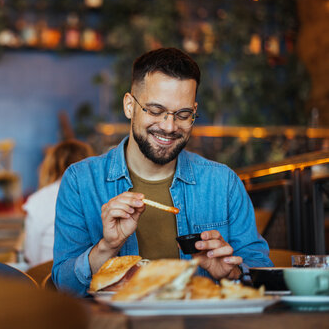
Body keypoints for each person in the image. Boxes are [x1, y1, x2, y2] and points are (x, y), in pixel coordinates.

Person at [52, 48, 272, 296]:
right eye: (156, 111)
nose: (169, 126)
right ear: (128, 106)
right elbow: (64, 287)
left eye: (183, 114)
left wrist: (231, 274)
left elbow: (262, 274)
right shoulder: (81, 182)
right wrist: (107, 247)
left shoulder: (223, 183)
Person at [23, 139, 94, 267]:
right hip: (89, 277)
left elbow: (31, 255)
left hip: (45, 279)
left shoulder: (38, 199)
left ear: (51, 164)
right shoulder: (96, 196)